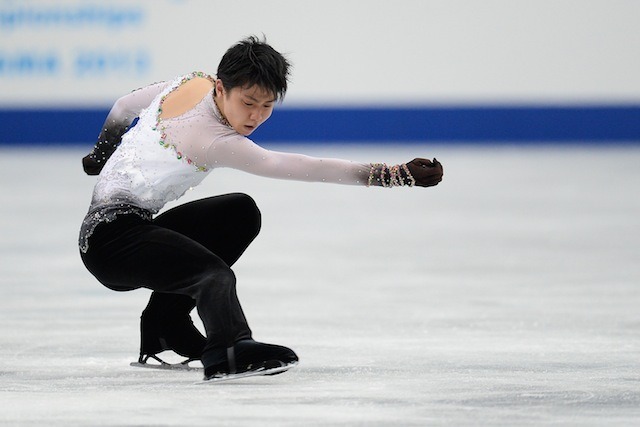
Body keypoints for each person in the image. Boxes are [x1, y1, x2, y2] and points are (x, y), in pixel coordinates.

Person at [79, 36, 443, 381]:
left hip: (126, 228)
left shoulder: (192, 82)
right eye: (248, 103)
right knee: (212, 276)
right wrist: (393, 175)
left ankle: (165, 327)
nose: (255, 116)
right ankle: (228, 352)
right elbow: (303, 166)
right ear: (222, 88)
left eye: (266, 106)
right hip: (110, 245)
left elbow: (123, 106)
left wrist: (101, 154)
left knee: (239, 213)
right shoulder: (213, 139)